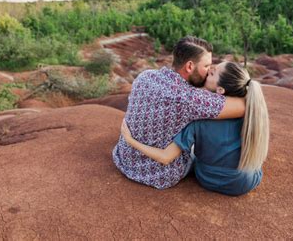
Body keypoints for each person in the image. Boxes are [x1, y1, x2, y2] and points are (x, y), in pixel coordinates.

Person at [112, 36, 245, 189]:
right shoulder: (190, 99)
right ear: (189, 66)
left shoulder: (145, 76)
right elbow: (242, 107)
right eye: (207, 66)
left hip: (124, 159)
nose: (209, 71)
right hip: (160, 174)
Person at [121, 62, 269, 196]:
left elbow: (166, 157)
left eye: (212, 73)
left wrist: (130, 140)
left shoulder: (199, 116)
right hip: (244, 183)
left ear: (221, 90)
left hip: (207, 179)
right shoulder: (252, 116)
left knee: (191, 153)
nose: (210, 69)